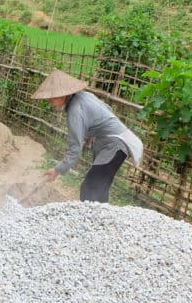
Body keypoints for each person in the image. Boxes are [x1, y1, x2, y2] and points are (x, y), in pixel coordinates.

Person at [31, 69, 143, 203]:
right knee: (98, 187)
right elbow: (107, 109)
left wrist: (57, 170)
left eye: (52, 97)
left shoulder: (74, 111)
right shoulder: (85, 96)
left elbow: (75, 148)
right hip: (118, 143)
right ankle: (100, 218)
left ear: (63, 95)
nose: (50, 101)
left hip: (115, 145)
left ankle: (94, 220)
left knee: (90, 188)